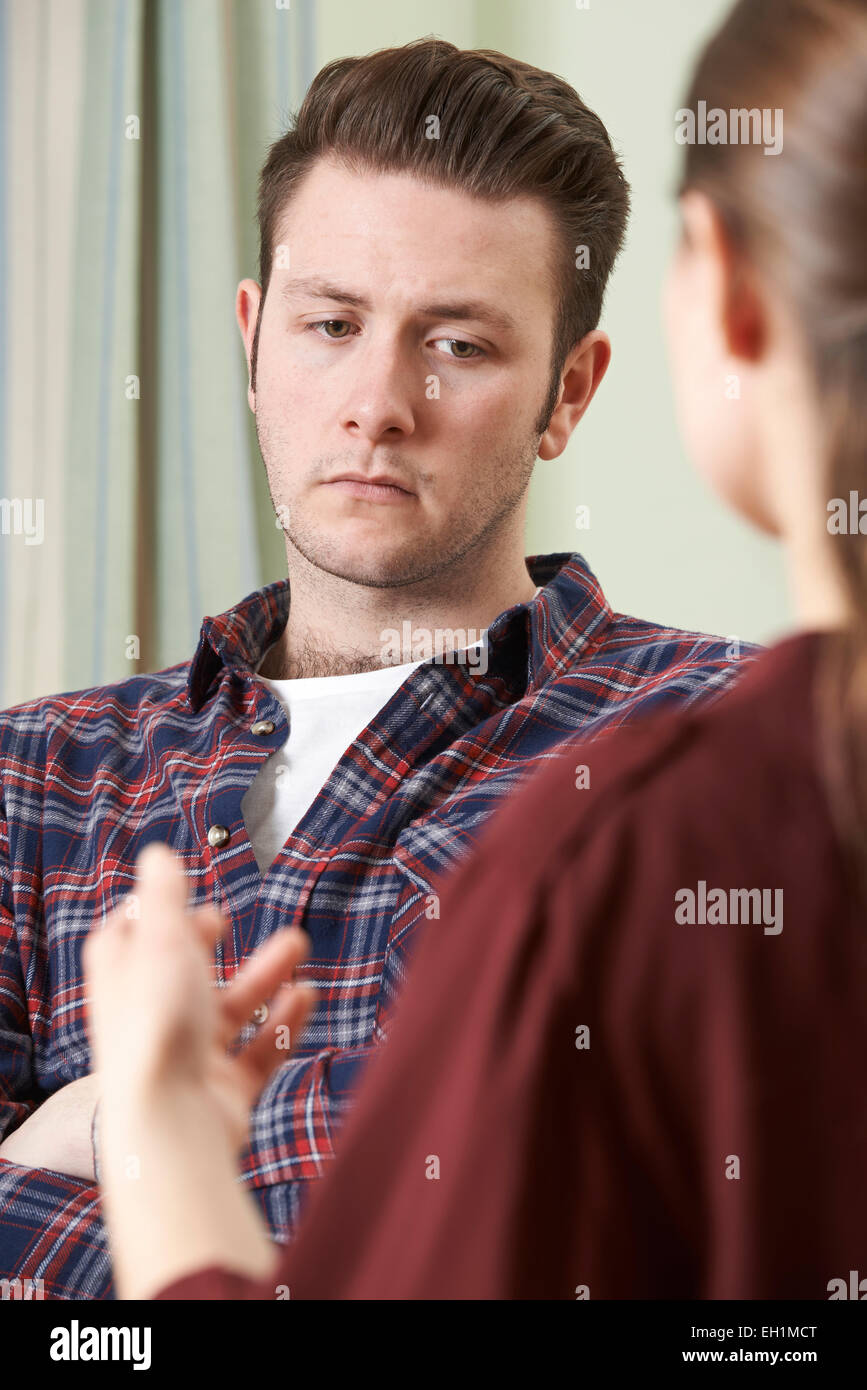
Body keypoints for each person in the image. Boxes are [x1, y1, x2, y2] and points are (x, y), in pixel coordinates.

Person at [84, 0, 867, 1300]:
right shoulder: (28, 777)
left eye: (457, 345)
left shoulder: (691, 791)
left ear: (574, 389)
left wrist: (128, 1143)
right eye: (330, 325)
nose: (378, 406)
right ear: (249, 337)